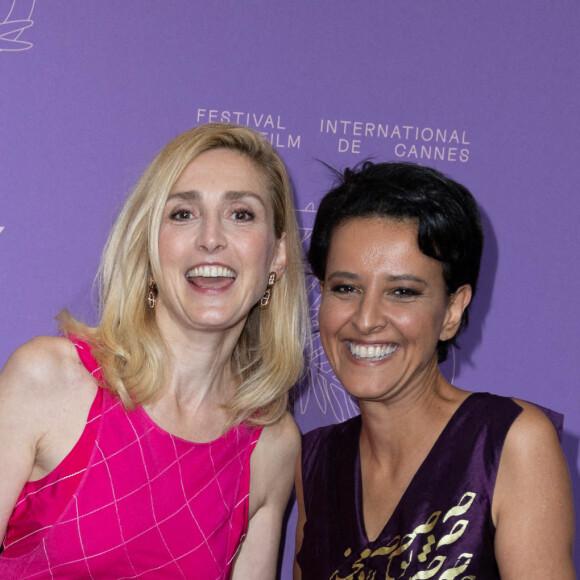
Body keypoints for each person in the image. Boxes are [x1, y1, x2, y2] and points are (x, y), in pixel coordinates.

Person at [0, 123, 309, 579]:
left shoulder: (271, 444)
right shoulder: (49, 379)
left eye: (241, 214)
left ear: (278, 255)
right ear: (149, 243)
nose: (210, 238)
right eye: (183, 213)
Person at [294, 162, 575, 579]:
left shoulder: (508, 443)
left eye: (402, 292)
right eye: (346, 288)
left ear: (452, 310)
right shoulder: (315, 462)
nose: (366, 319)